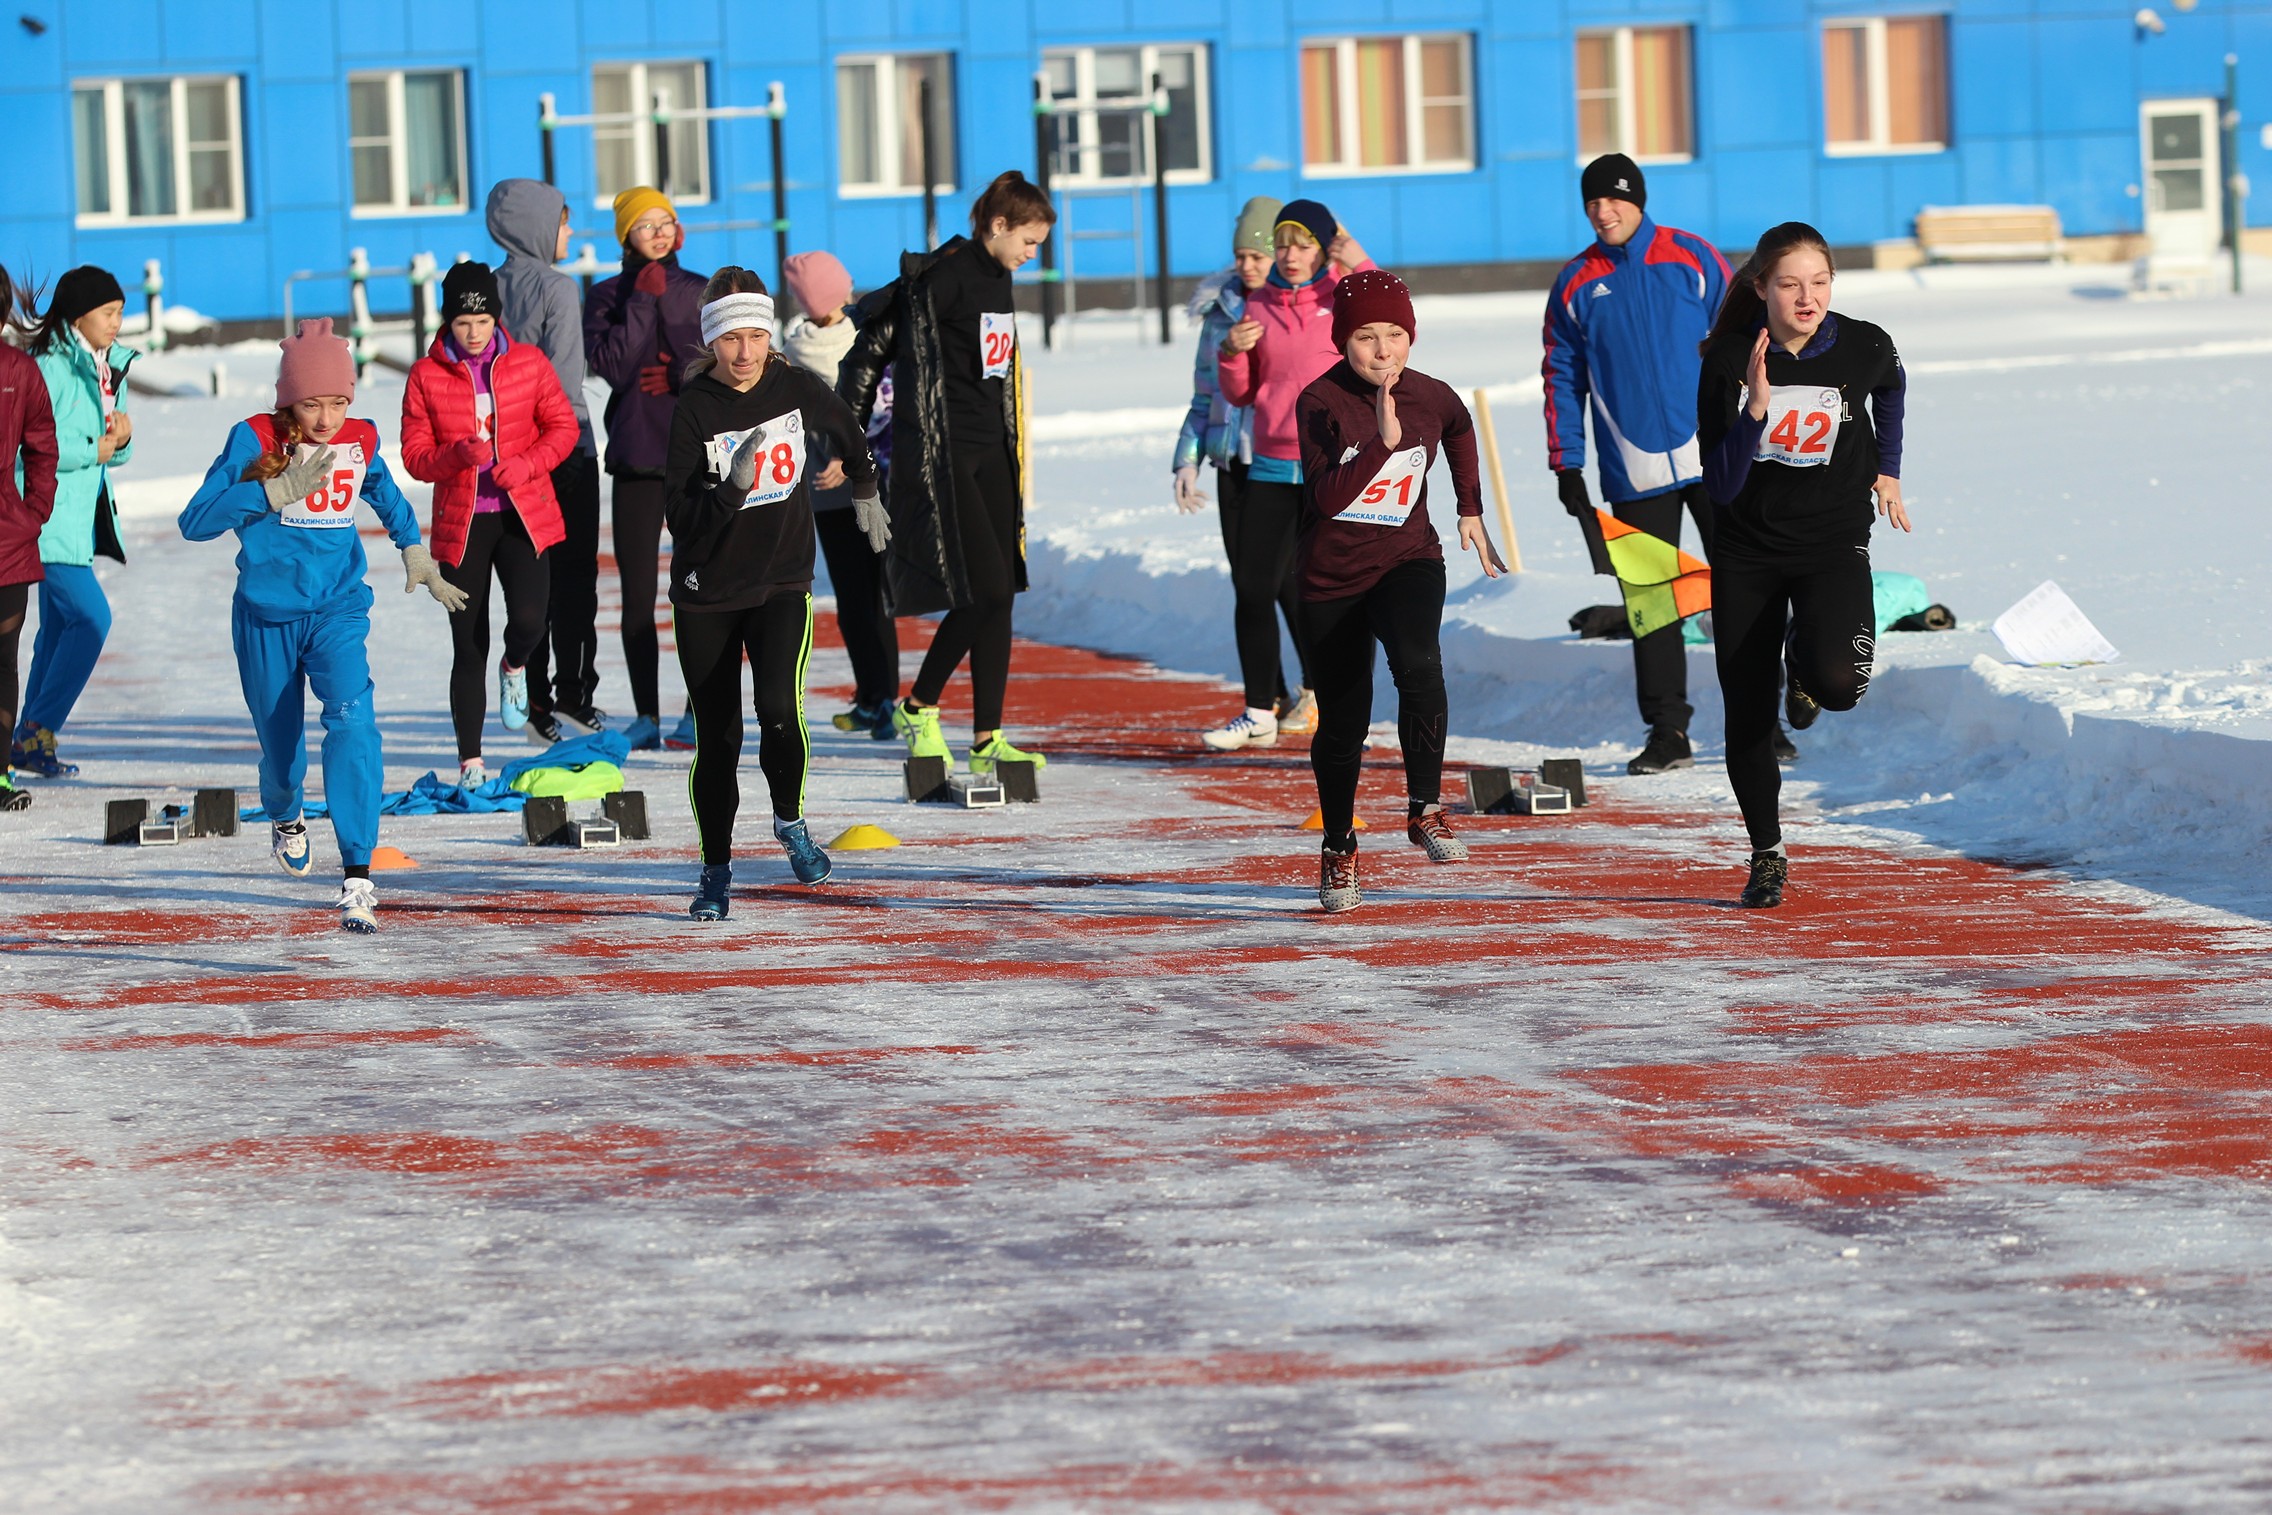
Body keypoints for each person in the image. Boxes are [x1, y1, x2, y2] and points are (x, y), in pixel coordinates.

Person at [179, 318, 467, 933]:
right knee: (282, 756)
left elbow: (385, 494)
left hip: (337, 609)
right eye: (313, 403)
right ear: (288, 399)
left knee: (353, 720)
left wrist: (415, 550)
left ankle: (358, 873)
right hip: (267, 616)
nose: (328, 418)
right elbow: (196, 520)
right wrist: (273, 491)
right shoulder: (253, 438)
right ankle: (285, 812)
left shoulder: (359, 438)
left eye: (339, 401)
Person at [1698, 222, 1908, 909]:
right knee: (1748, 715)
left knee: (1842, 684)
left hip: (1831, 542)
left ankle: (1806, 668)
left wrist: (1888, 470)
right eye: (1790, 283)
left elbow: (1893, 381)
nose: (1807, 296)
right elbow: (1721, 484)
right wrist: (1756, 406)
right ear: (1761, 288)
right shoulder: (1729, 358)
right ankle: (1767, 853)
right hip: (1746, 552)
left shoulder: (1863, 344)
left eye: (1820, 282)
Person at [664, 267, 883, 921]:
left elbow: (845, 422)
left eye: (756, 336)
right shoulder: (696, 407)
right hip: (707, 591)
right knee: (720, 738)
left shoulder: (792, 385)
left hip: (782, 581)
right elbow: (682, 517)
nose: (745, 352)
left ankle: (789, 821)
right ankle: (716, 869)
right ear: (712, 342)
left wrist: (863, 479)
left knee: (778, 709)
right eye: (732, 339)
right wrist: (729, 488)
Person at [1296, 269, 1507, 913]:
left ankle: (1425, 808)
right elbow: (1328, 497)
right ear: (1341, 340)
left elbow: (1461, 427)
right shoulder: (1320, 402)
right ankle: (1338, 847)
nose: (1383, 351)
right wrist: (1381, 447)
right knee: (1344, 718)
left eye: (1395, 334)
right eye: (1365, 337)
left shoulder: (1431, 396)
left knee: (1418, 661)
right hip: (1330, 578)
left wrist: (1468, 508)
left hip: (1407, 559)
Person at [838, 170, 1054, 779]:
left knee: (1001, 590)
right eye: (1028, 243)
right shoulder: (943, 276)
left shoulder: (998, 273)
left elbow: (993, 364)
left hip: (994, 449)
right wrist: (846, 436)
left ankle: (987, 737)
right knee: (980, 591)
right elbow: (870, 351)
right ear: (997, 225)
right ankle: (919, 703)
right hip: (945, 451)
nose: (1032, 257)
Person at [1543, 154, 1752, 777]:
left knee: (1745, 589)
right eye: (1592, 203)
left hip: (1717, 454)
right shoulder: (1576, 282)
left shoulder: (1692, 256)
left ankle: (1759, 722)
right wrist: (1566, 464)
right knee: (1652, 604)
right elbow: (1561, 373)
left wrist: (1755, 424)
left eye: (1614, 200)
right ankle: (1667, 731)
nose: (1603, 212)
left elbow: (1744, 334)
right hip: (1631, 468)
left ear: (1638, 199)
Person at [399, 260, 578, 787]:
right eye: (462, 324)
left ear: (496, 318)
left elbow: (562, 428)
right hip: (463, 524)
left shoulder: (528, 363)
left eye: (482, 322)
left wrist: (524, 463)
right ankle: (470, 761)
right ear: (446, 324)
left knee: (528, 620)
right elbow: (414, 455)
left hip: (524, 514)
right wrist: (454, 454)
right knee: (466, 641)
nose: (473, 334)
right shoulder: (426, 376)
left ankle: (516, 667)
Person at [1209, 197, 1373, 750]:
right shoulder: (1257, 305)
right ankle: (1259, 707)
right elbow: (1242, 391)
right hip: (1273, 464)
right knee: (1253, 586)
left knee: (1330, 593)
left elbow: (1393, 325)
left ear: (1323, 247)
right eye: (1282, 243)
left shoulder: (1342, 295)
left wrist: (1359, 258)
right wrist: (1230, 352)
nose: (1291, 254)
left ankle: (1341, 703)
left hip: (1333, 466)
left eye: (1304, 244)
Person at [1174, 195, 1322, 752]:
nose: (1250, 266)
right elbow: (1205, 392)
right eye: (1242, 256)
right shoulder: (1221, 312)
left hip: (1282, 463)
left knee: (1292, 585)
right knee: (1252, 586)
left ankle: (1313, 689)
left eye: (1259, 255)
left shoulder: (1293, 309)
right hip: (1232, 463)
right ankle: (1271, 696)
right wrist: (1186, 460)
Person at [584, 185, 708, 751]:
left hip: (697, 458)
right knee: (638, 596)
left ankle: (698, 711)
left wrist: (682, 374)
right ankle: (647, 716)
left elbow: (730, 362)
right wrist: (642, 299)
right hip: (636, 455)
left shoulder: (703, 290)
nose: (657, 232)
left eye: (665, 222)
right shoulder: (608, 294)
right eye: (644, 225)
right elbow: (610, 363)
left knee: (701, 589)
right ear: (626, 237)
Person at [488, 178, 605, 742]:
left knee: (530, 580)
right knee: (577, 576)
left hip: (510, 453)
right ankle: (575, 695)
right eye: (563, 220)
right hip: (565, 443)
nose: (570, 230)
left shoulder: (485, 289)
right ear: (536, 224)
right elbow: (565, 375)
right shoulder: (557, 287)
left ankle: (532, 702)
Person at [11, 265, 134, 779]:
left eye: (121, 314)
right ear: (79, 315)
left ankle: (30, 744)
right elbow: (27, 446)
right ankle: (36, 727)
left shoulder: (104, 367)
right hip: (42, 519)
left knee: (59, 632)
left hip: (77, 524)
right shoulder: (49, 368)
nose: (117, 324)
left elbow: (110, 455)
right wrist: (95, 448)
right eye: (108, 314)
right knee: (91, 620)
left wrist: (120, 442)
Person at [780, 249, 899, 736]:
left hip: (862, 484)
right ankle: (872, 695)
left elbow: (880, 410)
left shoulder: (855, 338)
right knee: (858, 598)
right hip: (832, 488)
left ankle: (883, 698)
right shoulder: (800, 348)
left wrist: (849, 463)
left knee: (868, 595)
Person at [0, 264, 58, 811]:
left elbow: (43, 446)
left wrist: (33, 513)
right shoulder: (19, 368)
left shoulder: (19, 371)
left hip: (9, 545)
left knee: (3, 663)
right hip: (13, 541)